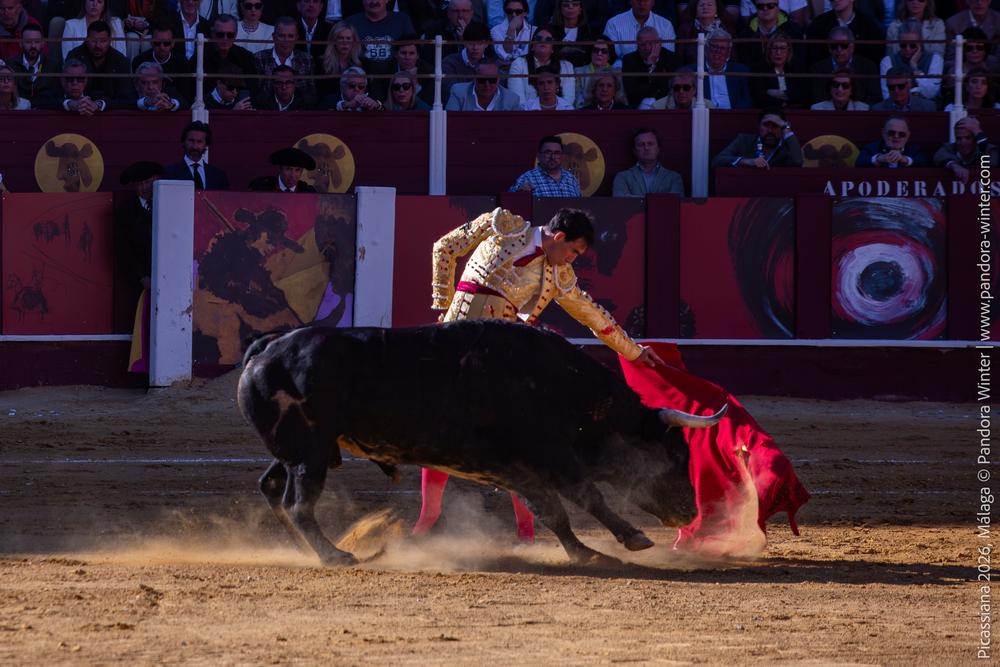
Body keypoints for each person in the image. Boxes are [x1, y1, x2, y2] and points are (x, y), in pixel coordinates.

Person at [415, 206, 666, 541]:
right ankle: (428, 517)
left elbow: (593, 316)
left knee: (518, 439)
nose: (572, 260)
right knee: (439, 430)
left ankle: (526, 530)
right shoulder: (501, 225)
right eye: (574, 251)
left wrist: (633, 352)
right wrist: (441, 306)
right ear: (559, 237)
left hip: (498, 357)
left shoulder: (557, 276)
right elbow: (444, 248)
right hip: (453, 344)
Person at [115, 160, 163, 374]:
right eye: (141, 183)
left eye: (150, 181)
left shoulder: (171, 204)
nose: (146, 187)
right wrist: (141, 277)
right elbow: (122, 250)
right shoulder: (125, 211)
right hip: (141, 281)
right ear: (134, 186)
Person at [66, 20, 134, 108]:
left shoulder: (121, 61)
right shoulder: (74, 56)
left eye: (103, 41)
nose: (98, 46)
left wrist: (101, 104)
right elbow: (67, 89)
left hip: (110, 111)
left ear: (110, 41)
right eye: (93, 41)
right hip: (79, 108)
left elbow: (125, 98)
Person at [808, 26, 881, 106]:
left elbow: (874, 98)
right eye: (834, 46)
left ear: (852, 47)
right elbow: (816, 99)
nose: (839, 50)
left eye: (844, 45)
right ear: (829, 48)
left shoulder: (868, 67)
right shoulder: (818, 69)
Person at [680, 28, 751, 109]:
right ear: (706, 49)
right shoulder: (692, 72)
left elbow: (746, 100)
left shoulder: (741, 72)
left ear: (728, 53)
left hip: (732, 117)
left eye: (722, 48)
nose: (718, 51)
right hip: (704, 116)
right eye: (714, 46)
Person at [253, 16, 316, 105]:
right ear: (274, 37)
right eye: (281, 36)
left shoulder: (307, 60)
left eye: (290, 36)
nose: (286, 40)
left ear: (296, 38)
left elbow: (311, 93)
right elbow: (257, 92)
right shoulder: (259, 59)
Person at [712, 107, 803, 169]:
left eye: (776, 125)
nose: (770, 130)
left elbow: (797, 162)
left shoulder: (788, 146)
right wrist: (746, 161)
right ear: (759, 126)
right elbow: (717, 161)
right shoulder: (743, 140)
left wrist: (786, 127)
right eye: (766, 125)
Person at [507, 26, 575, 105]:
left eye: (548, 40)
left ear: (553, 48)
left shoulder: (566, 67)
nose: (543, 41)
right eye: (539, 39)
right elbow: (518, 101)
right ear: (532, 46)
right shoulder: (518, 64)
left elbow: (568, 100)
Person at [805, 0, 884, 67]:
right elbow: (813, 60)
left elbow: (873, 63)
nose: (835, 0)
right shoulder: (818, 25)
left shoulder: (869, 26)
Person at [879, 21, 942, 102]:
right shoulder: (887, 61)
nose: (907, 49)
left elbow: (931, 93)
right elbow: (887, 96)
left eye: (912, 45)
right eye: (903, 45)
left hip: (926, 110)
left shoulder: (935, 59)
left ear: (921, 43)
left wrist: (914, 67)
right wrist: (916, 92)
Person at [612, 127, 684, 196]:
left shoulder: (674, 178)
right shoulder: (622, 177)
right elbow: (621, 204)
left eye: (650, 144)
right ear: (634, 151)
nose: (646, 148)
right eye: (641, 145)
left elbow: (675, 204)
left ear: (658, 148)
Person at [162, 121, 231, 189]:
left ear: (206, 145)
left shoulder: (219, 175)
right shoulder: (169, 172)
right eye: (191, 141)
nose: (195, 146)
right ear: (183, 142)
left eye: (199, 142)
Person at [735, 0, 805, 66]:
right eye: (760, 6)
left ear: (777, 8)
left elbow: (799, 63)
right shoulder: (746, 35)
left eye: (770, 6)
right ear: (756, 10)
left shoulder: (793, 32)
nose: (765, 9)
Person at [621, 25, 677, 108]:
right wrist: (650, 64)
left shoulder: (670, 58)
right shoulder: (629, 60)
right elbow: (633, 91)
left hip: (665, 103)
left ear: (659, 43)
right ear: (637, 44)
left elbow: (668, 88)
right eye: (642, 45)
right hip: (639, 105)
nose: (647, 48)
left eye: (651, 43)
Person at [934, 116, 999, 184]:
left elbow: (991, 161)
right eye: (959, 138)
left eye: (968, 138)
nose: (963, 142)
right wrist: (954, 165)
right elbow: (938, 155)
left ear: (975, 138)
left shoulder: (989, 149)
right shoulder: (950, 148)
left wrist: (978, 132)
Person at [603, 0, 676, 60]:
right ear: (630, 1)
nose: (641, 3)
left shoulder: (666, 25)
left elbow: (667, 57)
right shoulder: (613, 24)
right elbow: (610, 58)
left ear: (653, 2)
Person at [510, 135, 582, 196]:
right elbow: (510, 203)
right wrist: (520, 193)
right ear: (539, 156)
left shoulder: (571, 179)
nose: (552, 157)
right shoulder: (527, 178)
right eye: (548, 152)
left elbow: (581, 206)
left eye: (557, 153)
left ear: (562, 156)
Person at [440, 20, 492, 100]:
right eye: (471, 43)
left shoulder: (491, 65)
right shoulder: (449, 62)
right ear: (464, 42)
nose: (475, 48)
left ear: (487, 44)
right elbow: (451, 92)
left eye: (480, 43)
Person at [675, 0, 738, 66]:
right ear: (695, 10)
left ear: (717, 10)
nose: (705, 7)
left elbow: (733, 57)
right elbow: (679, 58)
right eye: (702, 5)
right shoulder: (685, 30)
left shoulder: (727, 29)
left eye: (709, 5)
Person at [61, 0, 126, 61]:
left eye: (99, 1)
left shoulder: (115, 23)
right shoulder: (70, 25)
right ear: (84, 2)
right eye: (91, 0)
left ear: (104, 6)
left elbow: (122, 55)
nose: (95, 4)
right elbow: (67, 58)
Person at [35, 59, 109, 113]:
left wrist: (97, 105)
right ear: (62, 80)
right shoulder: (50, 96)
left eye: (80, 79)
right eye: (70, 78)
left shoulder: (95, 96)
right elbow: (40, 102)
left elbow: (115, 102)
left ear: (86, 80)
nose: (75, 83)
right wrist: (69, 104)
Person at [5, 22, 52, 103]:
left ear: (43, 43)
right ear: (21, 43)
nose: (33, 46)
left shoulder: (53, 66)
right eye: (28, 42)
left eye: (37, 42)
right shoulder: (10, 65)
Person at [856, 116, 928, 167]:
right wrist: (878, 159)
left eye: (901, 134)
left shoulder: (915, 150)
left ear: (908, 135)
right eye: (891, 133)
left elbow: (924, 164)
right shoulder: (871, 148)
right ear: (883, 132)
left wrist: (905, 159)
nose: (896, 136)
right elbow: (859, 163)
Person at [445, 60, 520, 109]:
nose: (487, 85)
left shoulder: (512, 100)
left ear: (498, 79)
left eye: (492, 80)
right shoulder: (459, 92)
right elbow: (449, 123)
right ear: (474, 79)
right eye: (482, 80)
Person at [318, 20, 362, 101]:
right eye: (340, 38)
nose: (344, 43)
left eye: (348, 38)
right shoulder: (321, 64)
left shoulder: (362, 64)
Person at [545, 0, 594, 66]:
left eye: (575, 4)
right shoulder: (550, 30)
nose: (570, 7)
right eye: (566, 5)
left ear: (580, 9)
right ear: (560, 9)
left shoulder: (588, 30)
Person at [572, 35, 616, 108]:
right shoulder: (578, 72)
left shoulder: (617, 74)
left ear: (609, 56)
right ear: (590, 52)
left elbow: (620, 100)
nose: (599, 54)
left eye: (604, 51)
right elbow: (578, 101)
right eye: (596, 50)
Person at [249, 147, 318, 191]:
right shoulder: (262, 188)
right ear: (280, 169)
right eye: (288, 169)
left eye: (297, 170)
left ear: (302, 172)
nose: (292, 175)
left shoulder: (307, 192)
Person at [489, 0, 535, 66]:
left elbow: (531, 57)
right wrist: (511, 29)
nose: (514, 15)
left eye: (518, 11)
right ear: (505, 12)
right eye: (509, 11)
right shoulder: (495, 31)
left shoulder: (534, 31)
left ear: (525, 13)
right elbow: (504, 54)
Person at [872, 65, 936, 111]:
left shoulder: (928, 107)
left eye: (901, 86)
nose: (896, 91)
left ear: (909, 85)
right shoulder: (877, 110)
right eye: (891, 87)